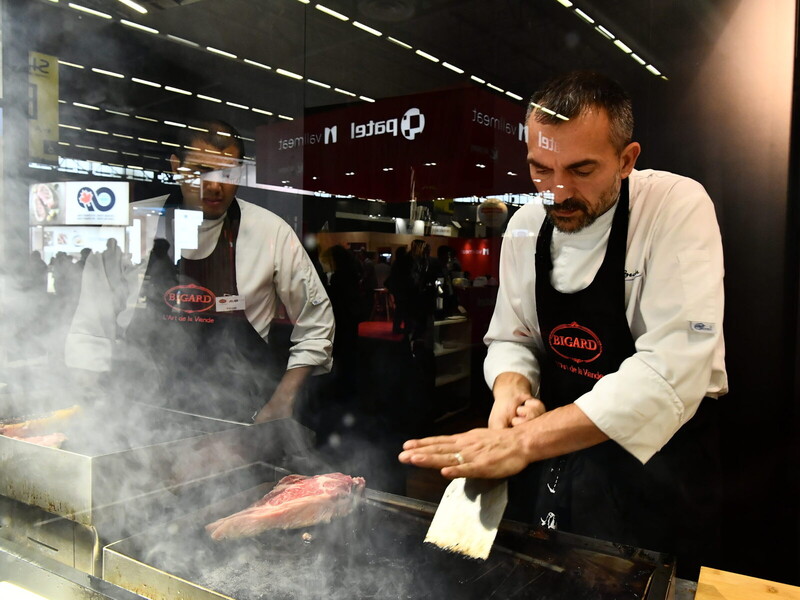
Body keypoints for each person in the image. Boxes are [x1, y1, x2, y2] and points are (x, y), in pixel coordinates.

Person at [399, 71, 727, 578]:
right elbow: (513, 337)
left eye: (580, 169)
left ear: (626, 159)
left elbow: (669, 370)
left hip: (656, 461)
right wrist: (510, 391)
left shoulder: (674, 209)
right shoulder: (526, 225)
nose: (556, 192)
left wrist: (523, 442)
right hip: (559, 449)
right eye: (540, 169)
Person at [66, 119, 334, 422]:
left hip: (237, 419)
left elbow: (316, 326)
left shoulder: (270, 232)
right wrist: (95, 410)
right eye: (201, 171)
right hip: (138, 415)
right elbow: (91, 329)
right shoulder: (130, 225)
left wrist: (281, 402)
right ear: (176, 166)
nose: (215, 186)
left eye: (227, 173)